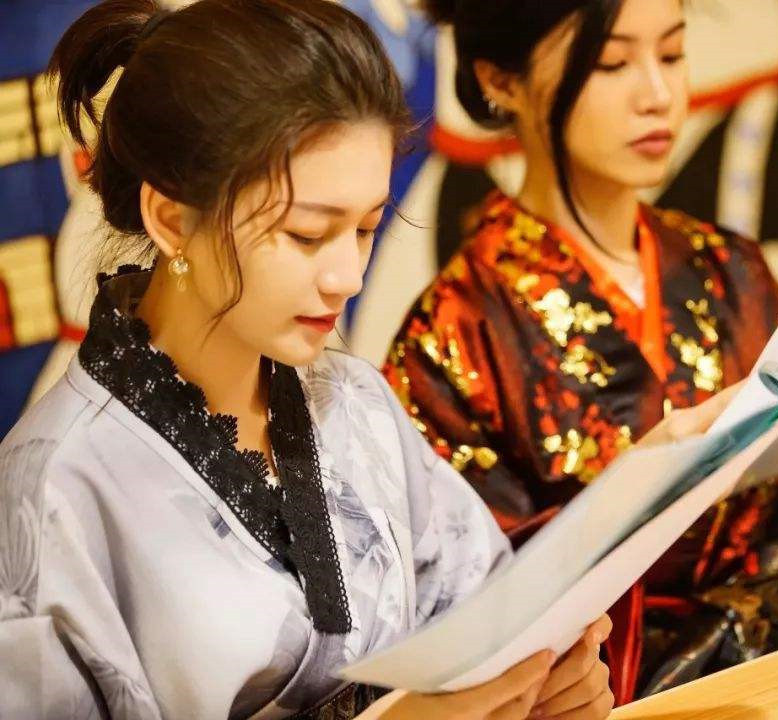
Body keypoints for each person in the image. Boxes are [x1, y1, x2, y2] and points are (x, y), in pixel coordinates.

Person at [0, 1, 637, 717]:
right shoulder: (51, 489)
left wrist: (547, 686)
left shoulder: (358, 402)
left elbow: (483, 616)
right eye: (307, 235)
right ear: (173, 219)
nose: (347, 278)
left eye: (365, 229)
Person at [384, 0, 778, 702]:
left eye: (671, 54)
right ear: (500, 81)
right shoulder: (451, 335)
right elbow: (475, 619)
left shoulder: (732, 271)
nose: (659, 94)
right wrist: (628, 499)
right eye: (612, 64)